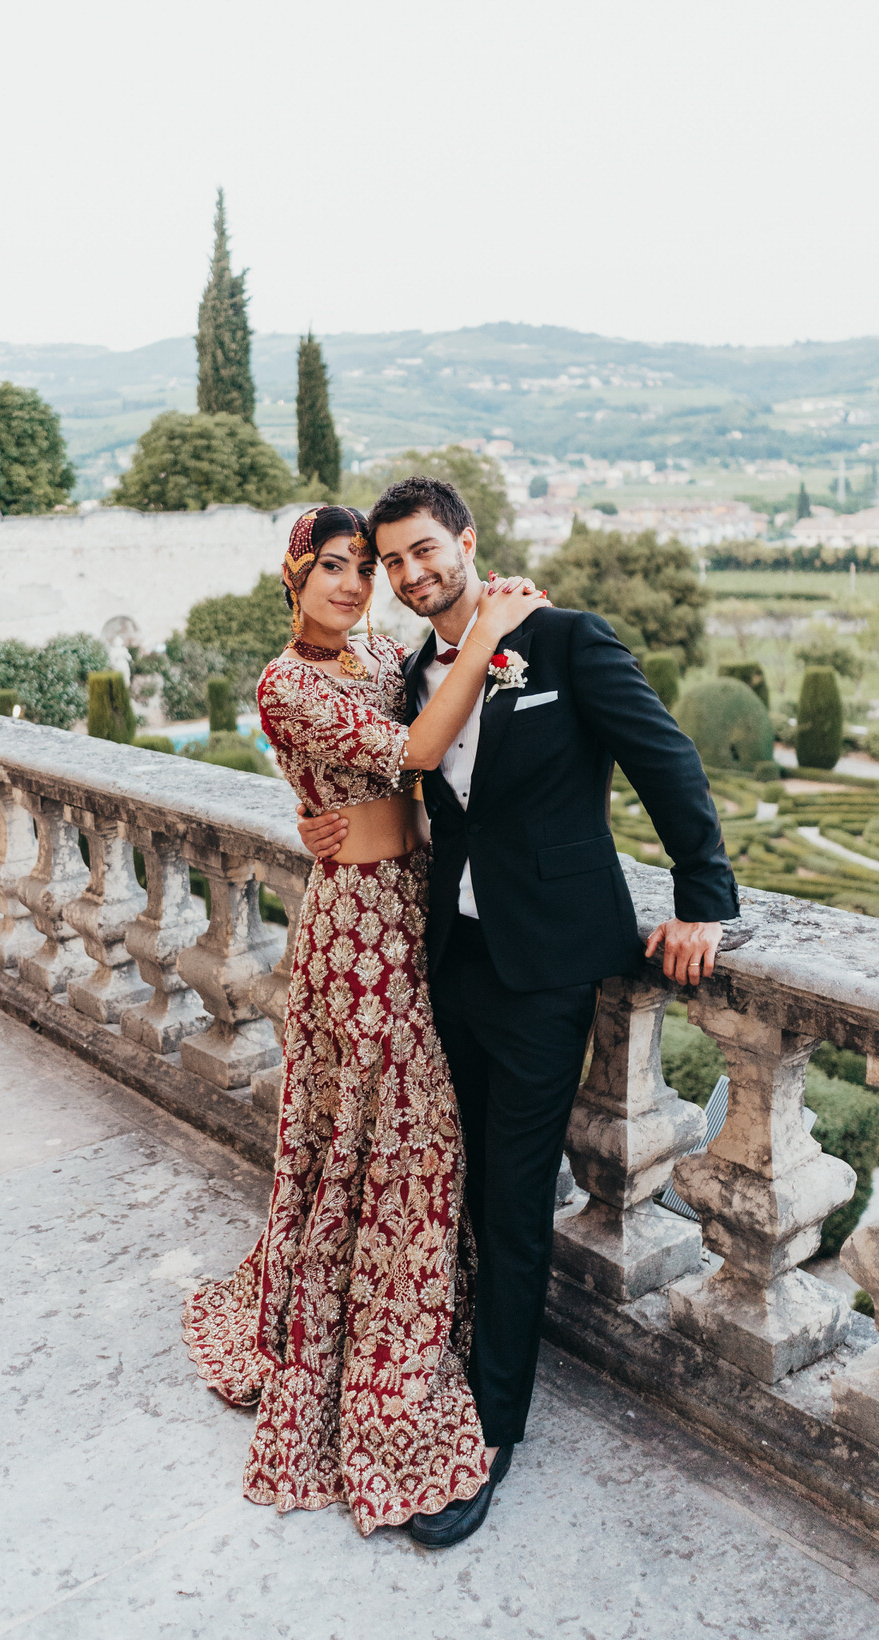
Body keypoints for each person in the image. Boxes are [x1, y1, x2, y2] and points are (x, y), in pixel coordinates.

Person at [297, 477, 739, 1548]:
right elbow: (409, 793)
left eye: (423, 551)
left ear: (467, 542)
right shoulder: (414, 670)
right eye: (392, 561)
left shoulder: (569, 641)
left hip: (547, 967)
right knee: (455, 1181)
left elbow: (665, 760)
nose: (409, 574)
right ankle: (446, 1369)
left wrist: (705, 904)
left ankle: (490, 1433)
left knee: (511, 1194)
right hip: (452, 960)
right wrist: (342, 835)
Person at [182, 503, 548, 1539]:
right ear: (292, 582)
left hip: (416, 909)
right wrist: (490, 635)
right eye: (330, 568)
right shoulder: (287, 681)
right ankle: (381, 1358)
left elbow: (427, 755)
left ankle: (410, 1318)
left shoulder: (380, 648)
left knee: (387, 1140)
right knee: (408, 1142)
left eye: (359, 567)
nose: (351, 583)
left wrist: (495, 621)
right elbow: (418, 747)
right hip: (359, 935)